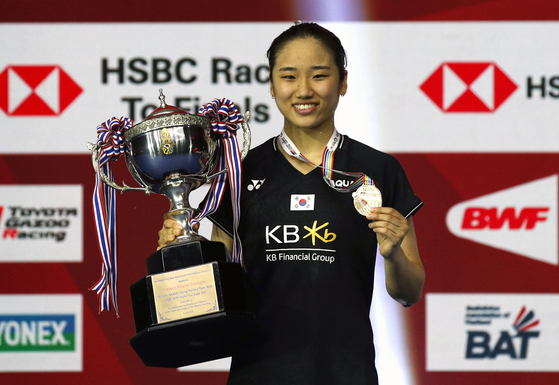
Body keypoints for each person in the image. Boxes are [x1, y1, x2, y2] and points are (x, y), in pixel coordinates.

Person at [158, 22, 425, 385]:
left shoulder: (378, 169)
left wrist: (393, 253)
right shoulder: (238, 173)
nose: (303, 90)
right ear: (271, 85)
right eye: (288, 76)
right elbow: (218, 286)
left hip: (348, 373)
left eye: (319, 75)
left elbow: (409, 293)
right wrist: (182, 255)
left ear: (343, 82)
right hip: (259, 373)